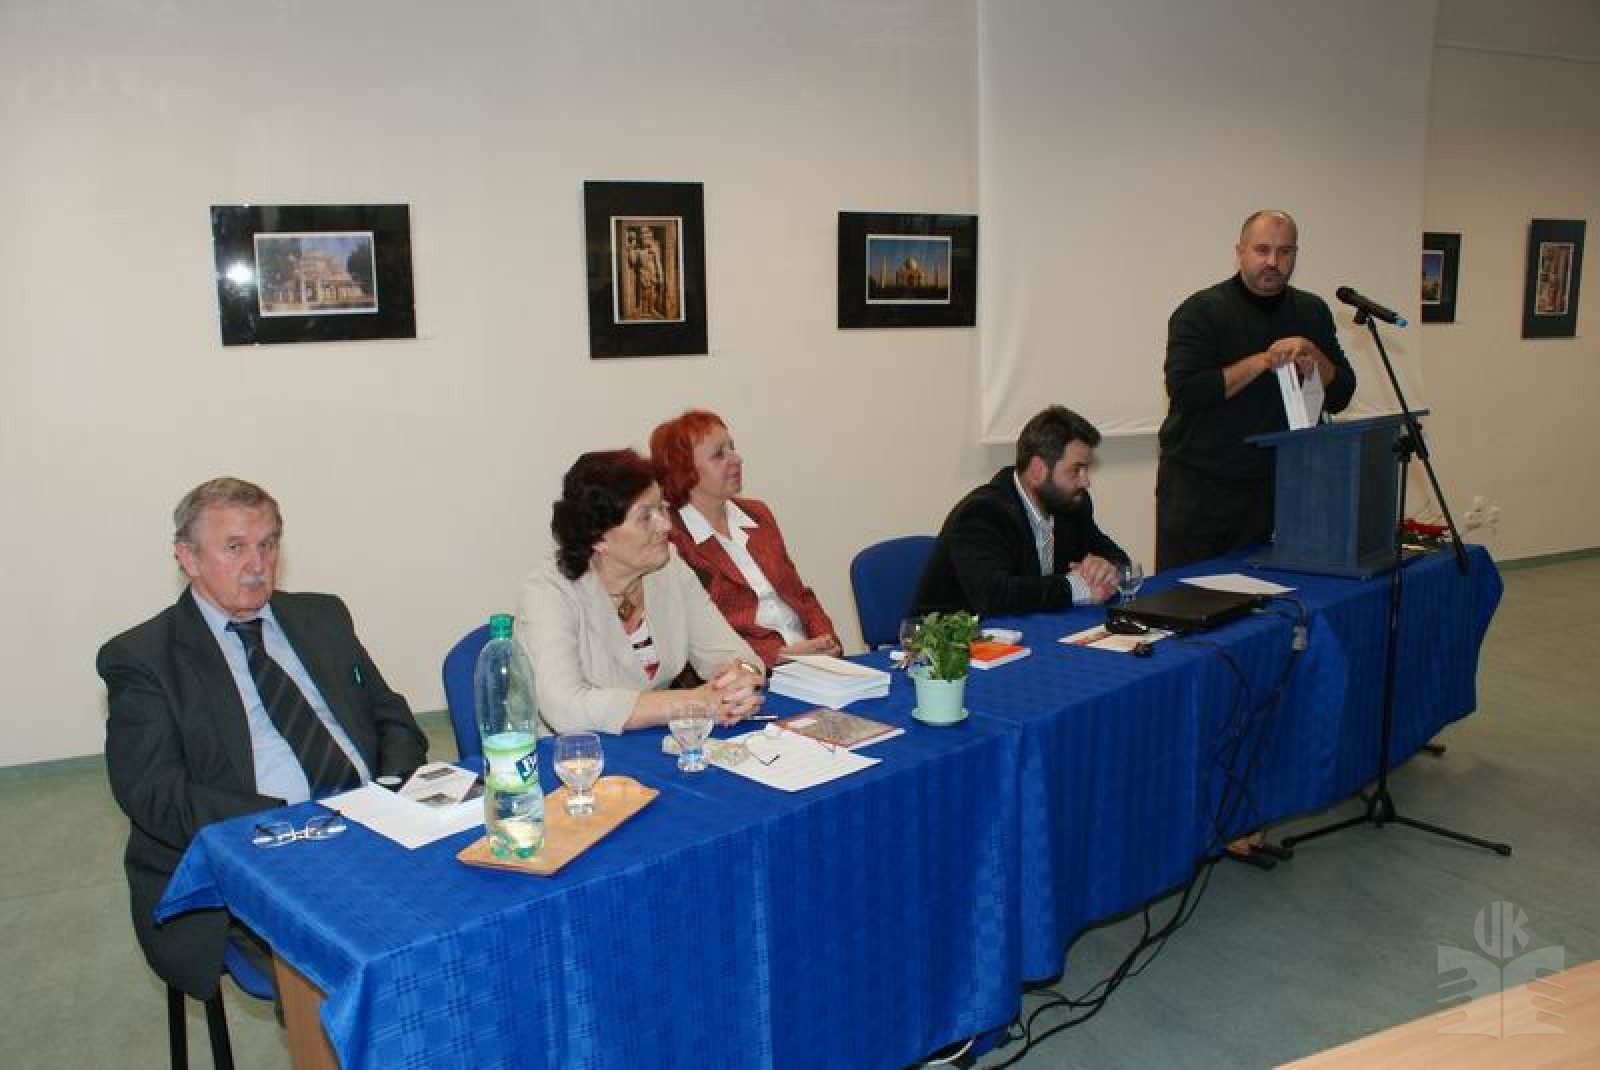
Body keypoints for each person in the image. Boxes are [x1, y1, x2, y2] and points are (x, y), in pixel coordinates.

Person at [97, 478, 428, 1000]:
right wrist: (293, 824)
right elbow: (155, 794)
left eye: (268, 544)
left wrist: (385, 794)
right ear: (188, 557)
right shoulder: (143, 657)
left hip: (374, 824)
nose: (258, 564)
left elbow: (393, 718)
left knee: (476, 903)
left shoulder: (322, 616)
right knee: (361, 966)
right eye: (235, 548)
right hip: (261, 850)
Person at [1157, 209, 1357, 571]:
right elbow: (1185, 391)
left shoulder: (1312, 311)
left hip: (1281, 491)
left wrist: (1313, 354)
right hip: (1203, 494)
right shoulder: (1201, 311)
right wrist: (1264, 361)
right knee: (1192, 598)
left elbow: (1342, 394)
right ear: (1240, 252)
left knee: (1273, 598)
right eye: (1262, 250)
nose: (1273, 262)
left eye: (1285, 252)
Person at [518, 449, 765, 735]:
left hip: (652, 741)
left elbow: (733, 653)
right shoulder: (548, 592)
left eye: (662, 508)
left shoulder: (668, 568)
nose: (666, 525)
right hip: (573, 752)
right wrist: (694, 703)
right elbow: (566, 709)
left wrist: (741, 679)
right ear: (599, 538)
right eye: (646, 517)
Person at [649, 409, 841, 668]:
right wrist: (779, 657)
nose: (737, 459)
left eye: (732, 448)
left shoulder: (758, 514)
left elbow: (800, 595)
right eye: (719, 455)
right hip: (752, 672)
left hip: (813, 662)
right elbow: (697, 637)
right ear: (683, 470)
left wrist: (824, 641)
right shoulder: (672, 539)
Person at [912, 405, 1128, 617]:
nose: (1085, 481)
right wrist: (1076, 587)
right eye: (1076, 470)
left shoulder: (1071, 504)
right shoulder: (982, 512)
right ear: (1037, 470)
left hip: (1031, 628)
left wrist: (1107, 569)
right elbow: (993, 595)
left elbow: (1117, 557)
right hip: (955, 635)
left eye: (1086, 469)